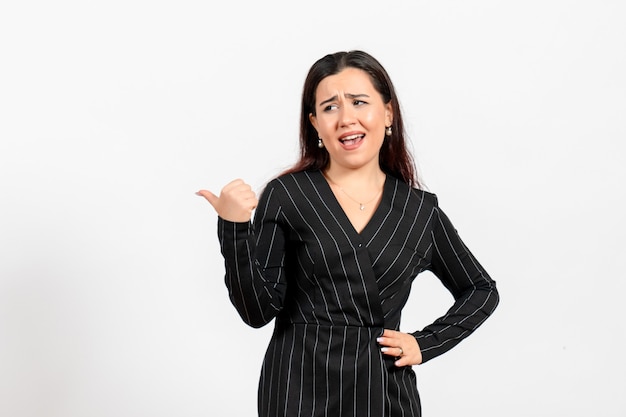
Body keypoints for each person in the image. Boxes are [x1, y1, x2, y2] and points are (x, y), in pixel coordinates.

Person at [197, 50, 499, 417]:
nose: (345, 118)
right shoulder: (287, 195)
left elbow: (481, 290)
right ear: (315, 124)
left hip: (384, 394)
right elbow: (256, 311)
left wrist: (424, 344)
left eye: (358, 102)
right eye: (330, 107)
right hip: (297, 391)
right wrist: (234, 229)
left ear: (387, 113)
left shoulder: (419, 211)